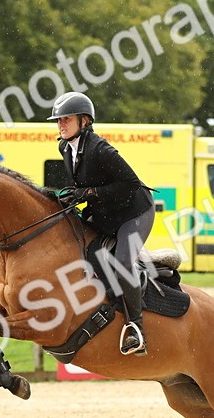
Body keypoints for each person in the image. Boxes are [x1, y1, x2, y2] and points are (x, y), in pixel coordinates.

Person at [50, 91, 155, 355]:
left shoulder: (101, 149)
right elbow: (85, 184)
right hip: (108, 213)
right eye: (58, 120)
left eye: (67, 119)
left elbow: (130, 184)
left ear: (84, 121)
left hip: (135, 213)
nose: (61, 125)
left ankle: (136, 328)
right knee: (86, 250)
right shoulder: (65, 148)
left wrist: (89, 194)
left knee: (121, 263)